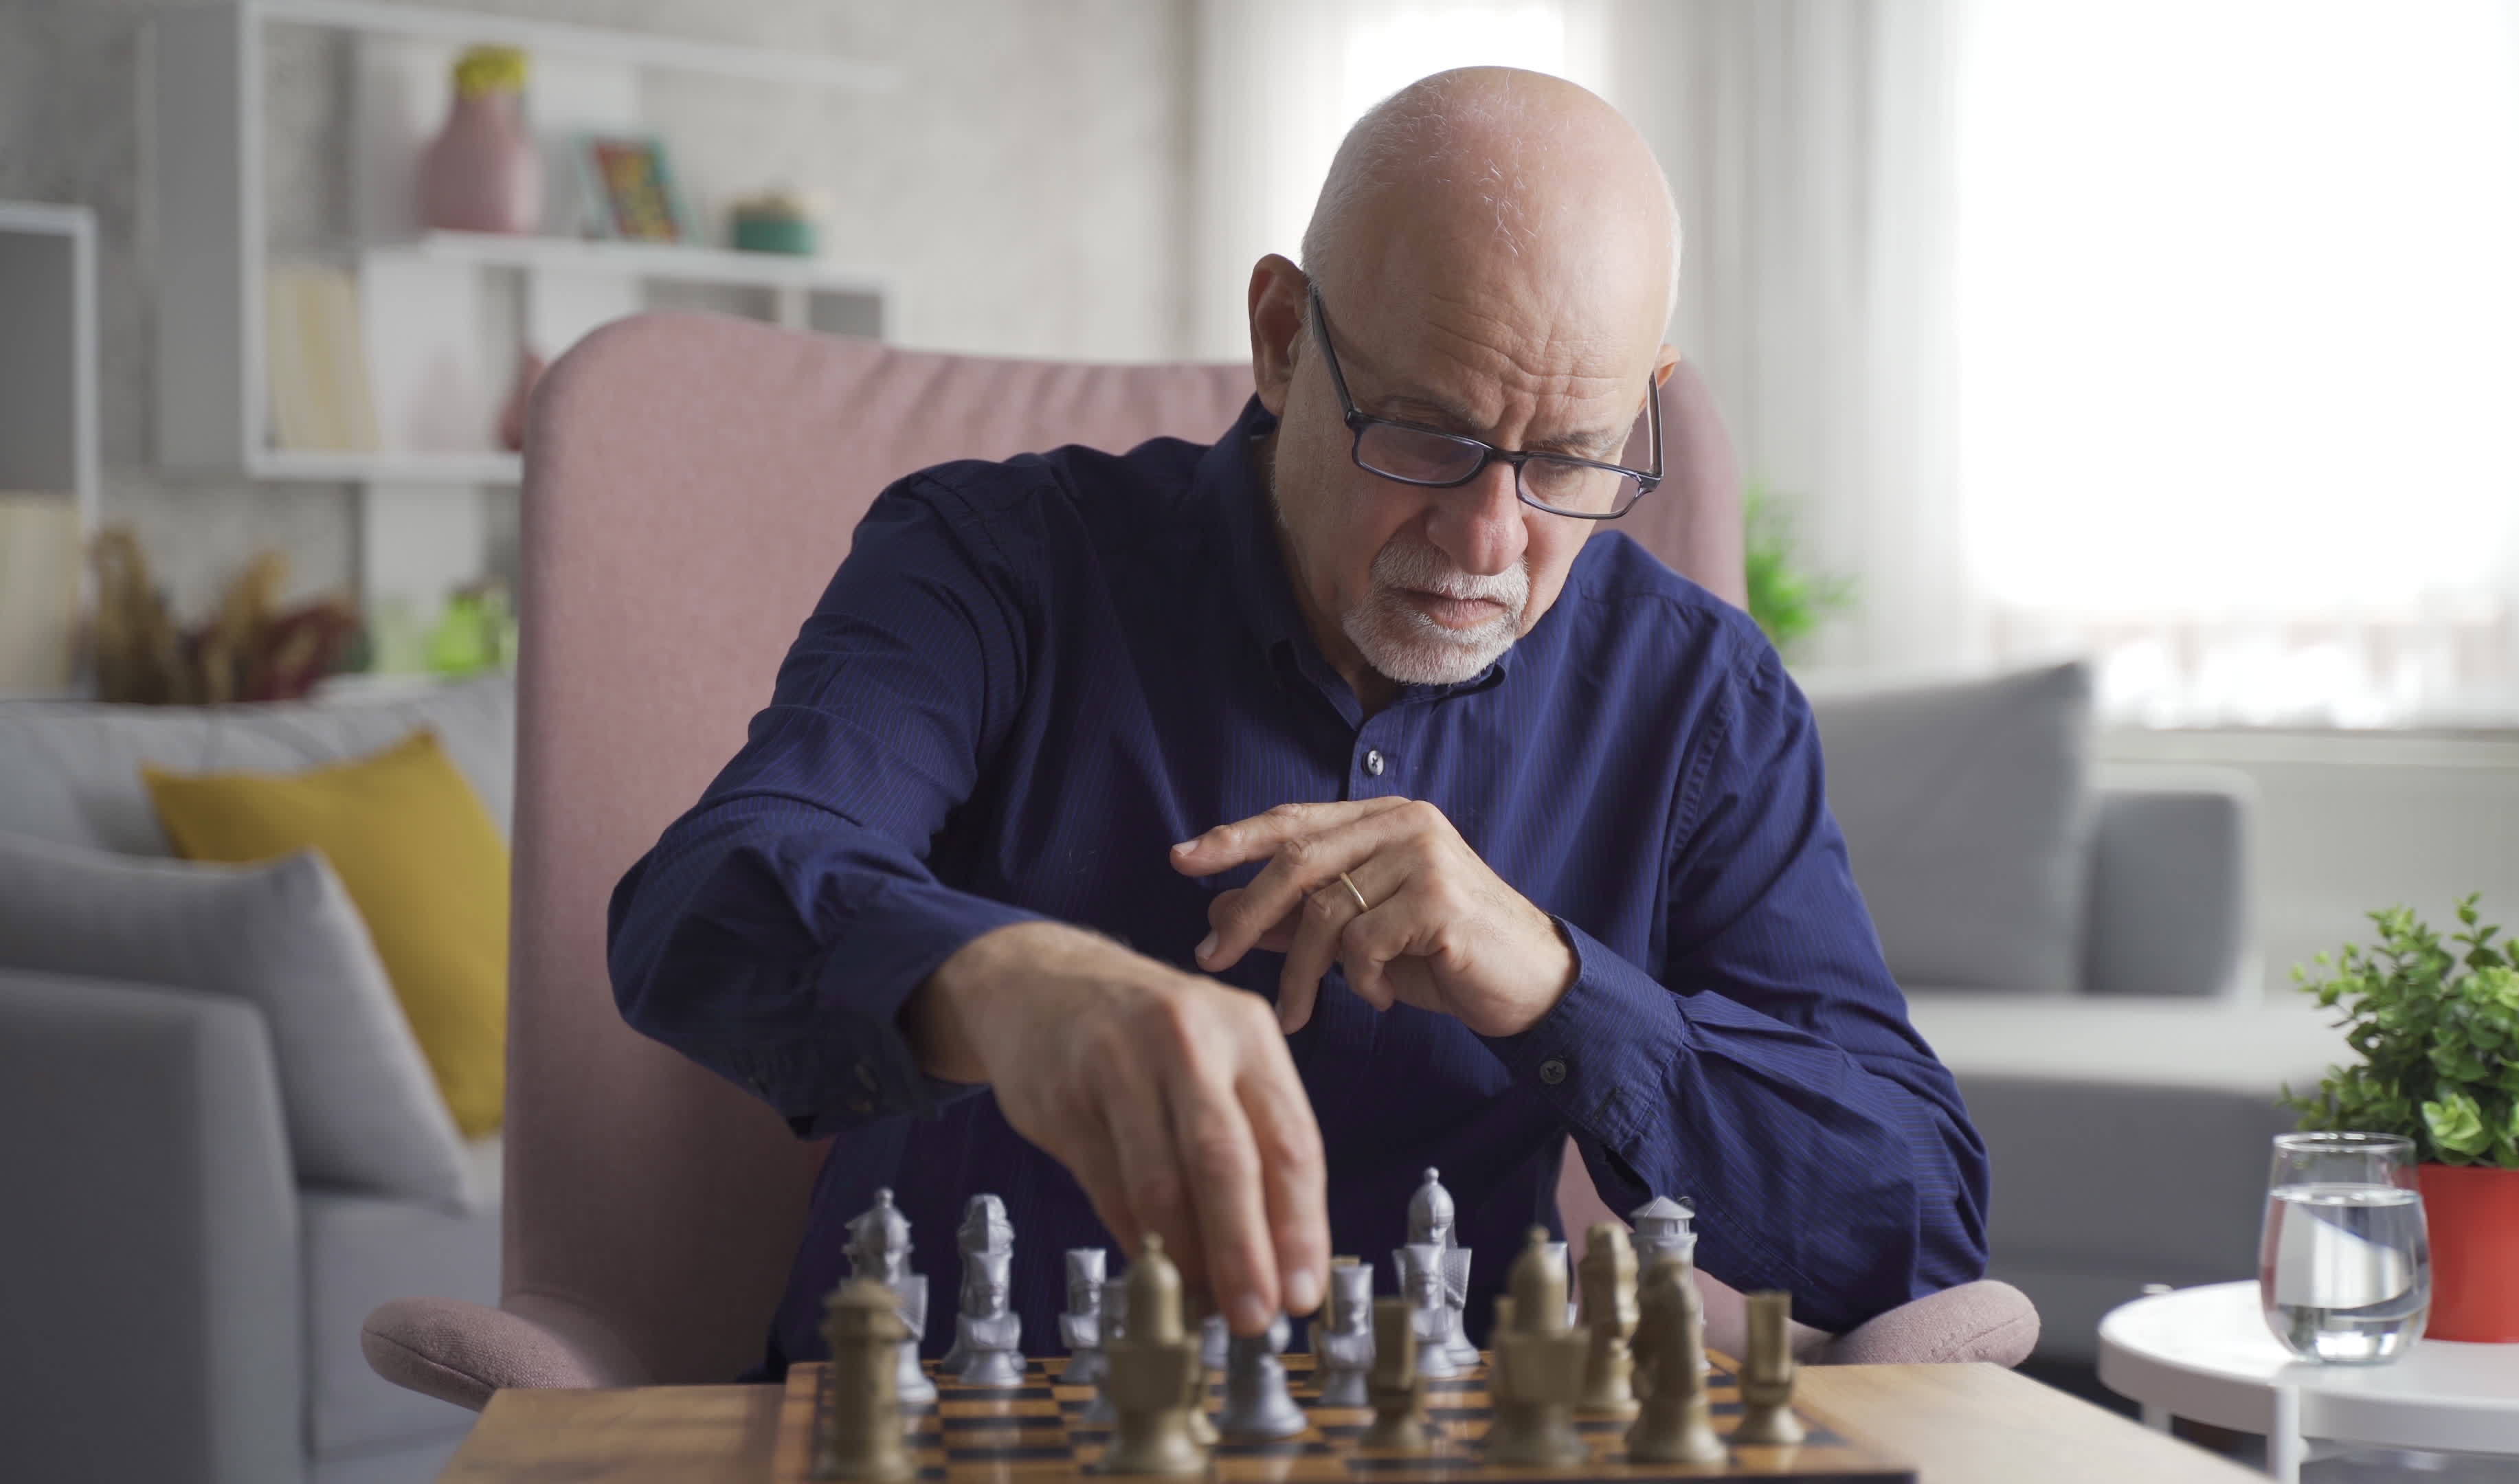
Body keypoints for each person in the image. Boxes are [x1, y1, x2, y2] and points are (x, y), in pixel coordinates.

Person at [606, 66, 1986, 1371]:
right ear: (1280, 339)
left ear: (1646, 406)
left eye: (1571, 457)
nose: (1492, 538)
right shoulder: (997, 561)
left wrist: (1563, 987)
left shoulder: (1700, 698)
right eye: (1431, 437)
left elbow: (1912, 1217)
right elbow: (701, 905)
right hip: (968, 1417)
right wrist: (1002, 984)